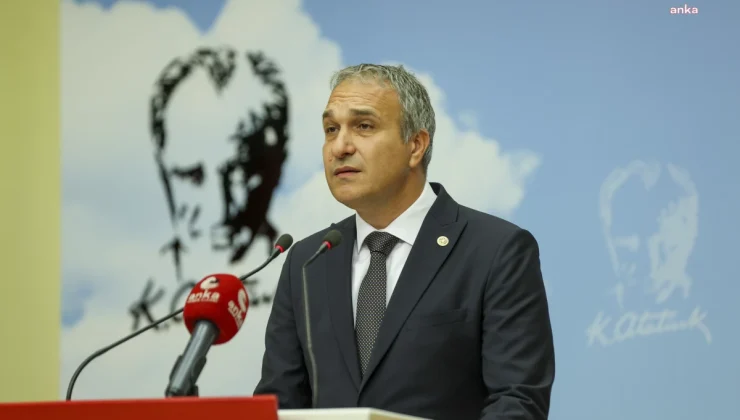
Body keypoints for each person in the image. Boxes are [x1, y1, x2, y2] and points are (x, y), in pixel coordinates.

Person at [253, 63, 555, 420]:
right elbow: (278, 404)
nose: (340, 147)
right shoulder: (307, 261)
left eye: (363, 126)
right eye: (331, 129)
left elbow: (517, 401)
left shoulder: (496, 251)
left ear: (415, 145)